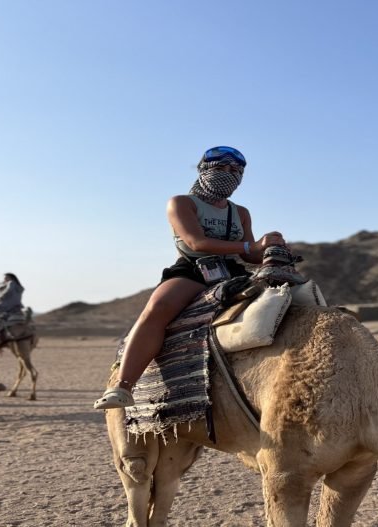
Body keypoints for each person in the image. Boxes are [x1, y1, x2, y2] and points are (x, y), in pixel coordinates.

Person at [94, 146, 286, 409]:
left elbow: (250, 255)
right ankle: (123, 386)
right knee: (158, 308)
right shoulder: (182, 203)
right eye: (220, 168)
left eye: (235, 170)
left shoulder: (239, 212)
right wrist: (248, 248)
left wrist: (269, 247)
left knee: (286, 298)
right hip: (194, 268)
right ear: (204, 170)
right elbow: (196, 243)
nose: (228, 174)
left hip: (232, 271)